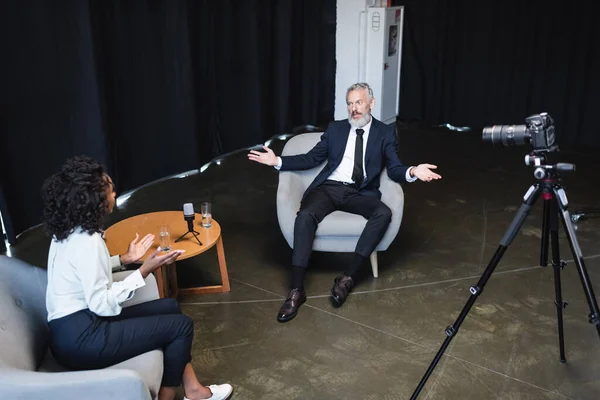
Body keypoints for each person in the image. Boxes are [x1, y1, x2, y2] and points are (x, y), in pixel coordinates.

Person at [42, 156, 233, 400]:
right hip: (82, 340)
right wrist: (145, 269)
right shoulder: (89, 242)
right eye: (110, 190)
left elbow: (84, 272)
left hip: (70, 330)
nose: (114, 193)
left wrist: (125, 259)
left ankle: (193, 390)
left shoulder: (66, 231)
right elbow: (103, 304)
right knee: (181, 326)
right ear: (96, 202)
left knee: (171, 306)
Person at [248, 82, 442, 322]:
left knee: (383, 213)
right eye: (350, 103)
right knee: (305, 216)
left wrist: (412, 171)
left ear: (371, 103)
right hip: (329, 189)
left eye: (359, 102)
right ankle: (296, 290)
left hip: (359, 193)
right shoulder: (336, 129)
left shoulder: (384, 133)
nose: (354, 109)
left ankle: (347, 278)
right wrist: (278, 161)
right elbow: (312, 158)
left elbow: (393, 168)